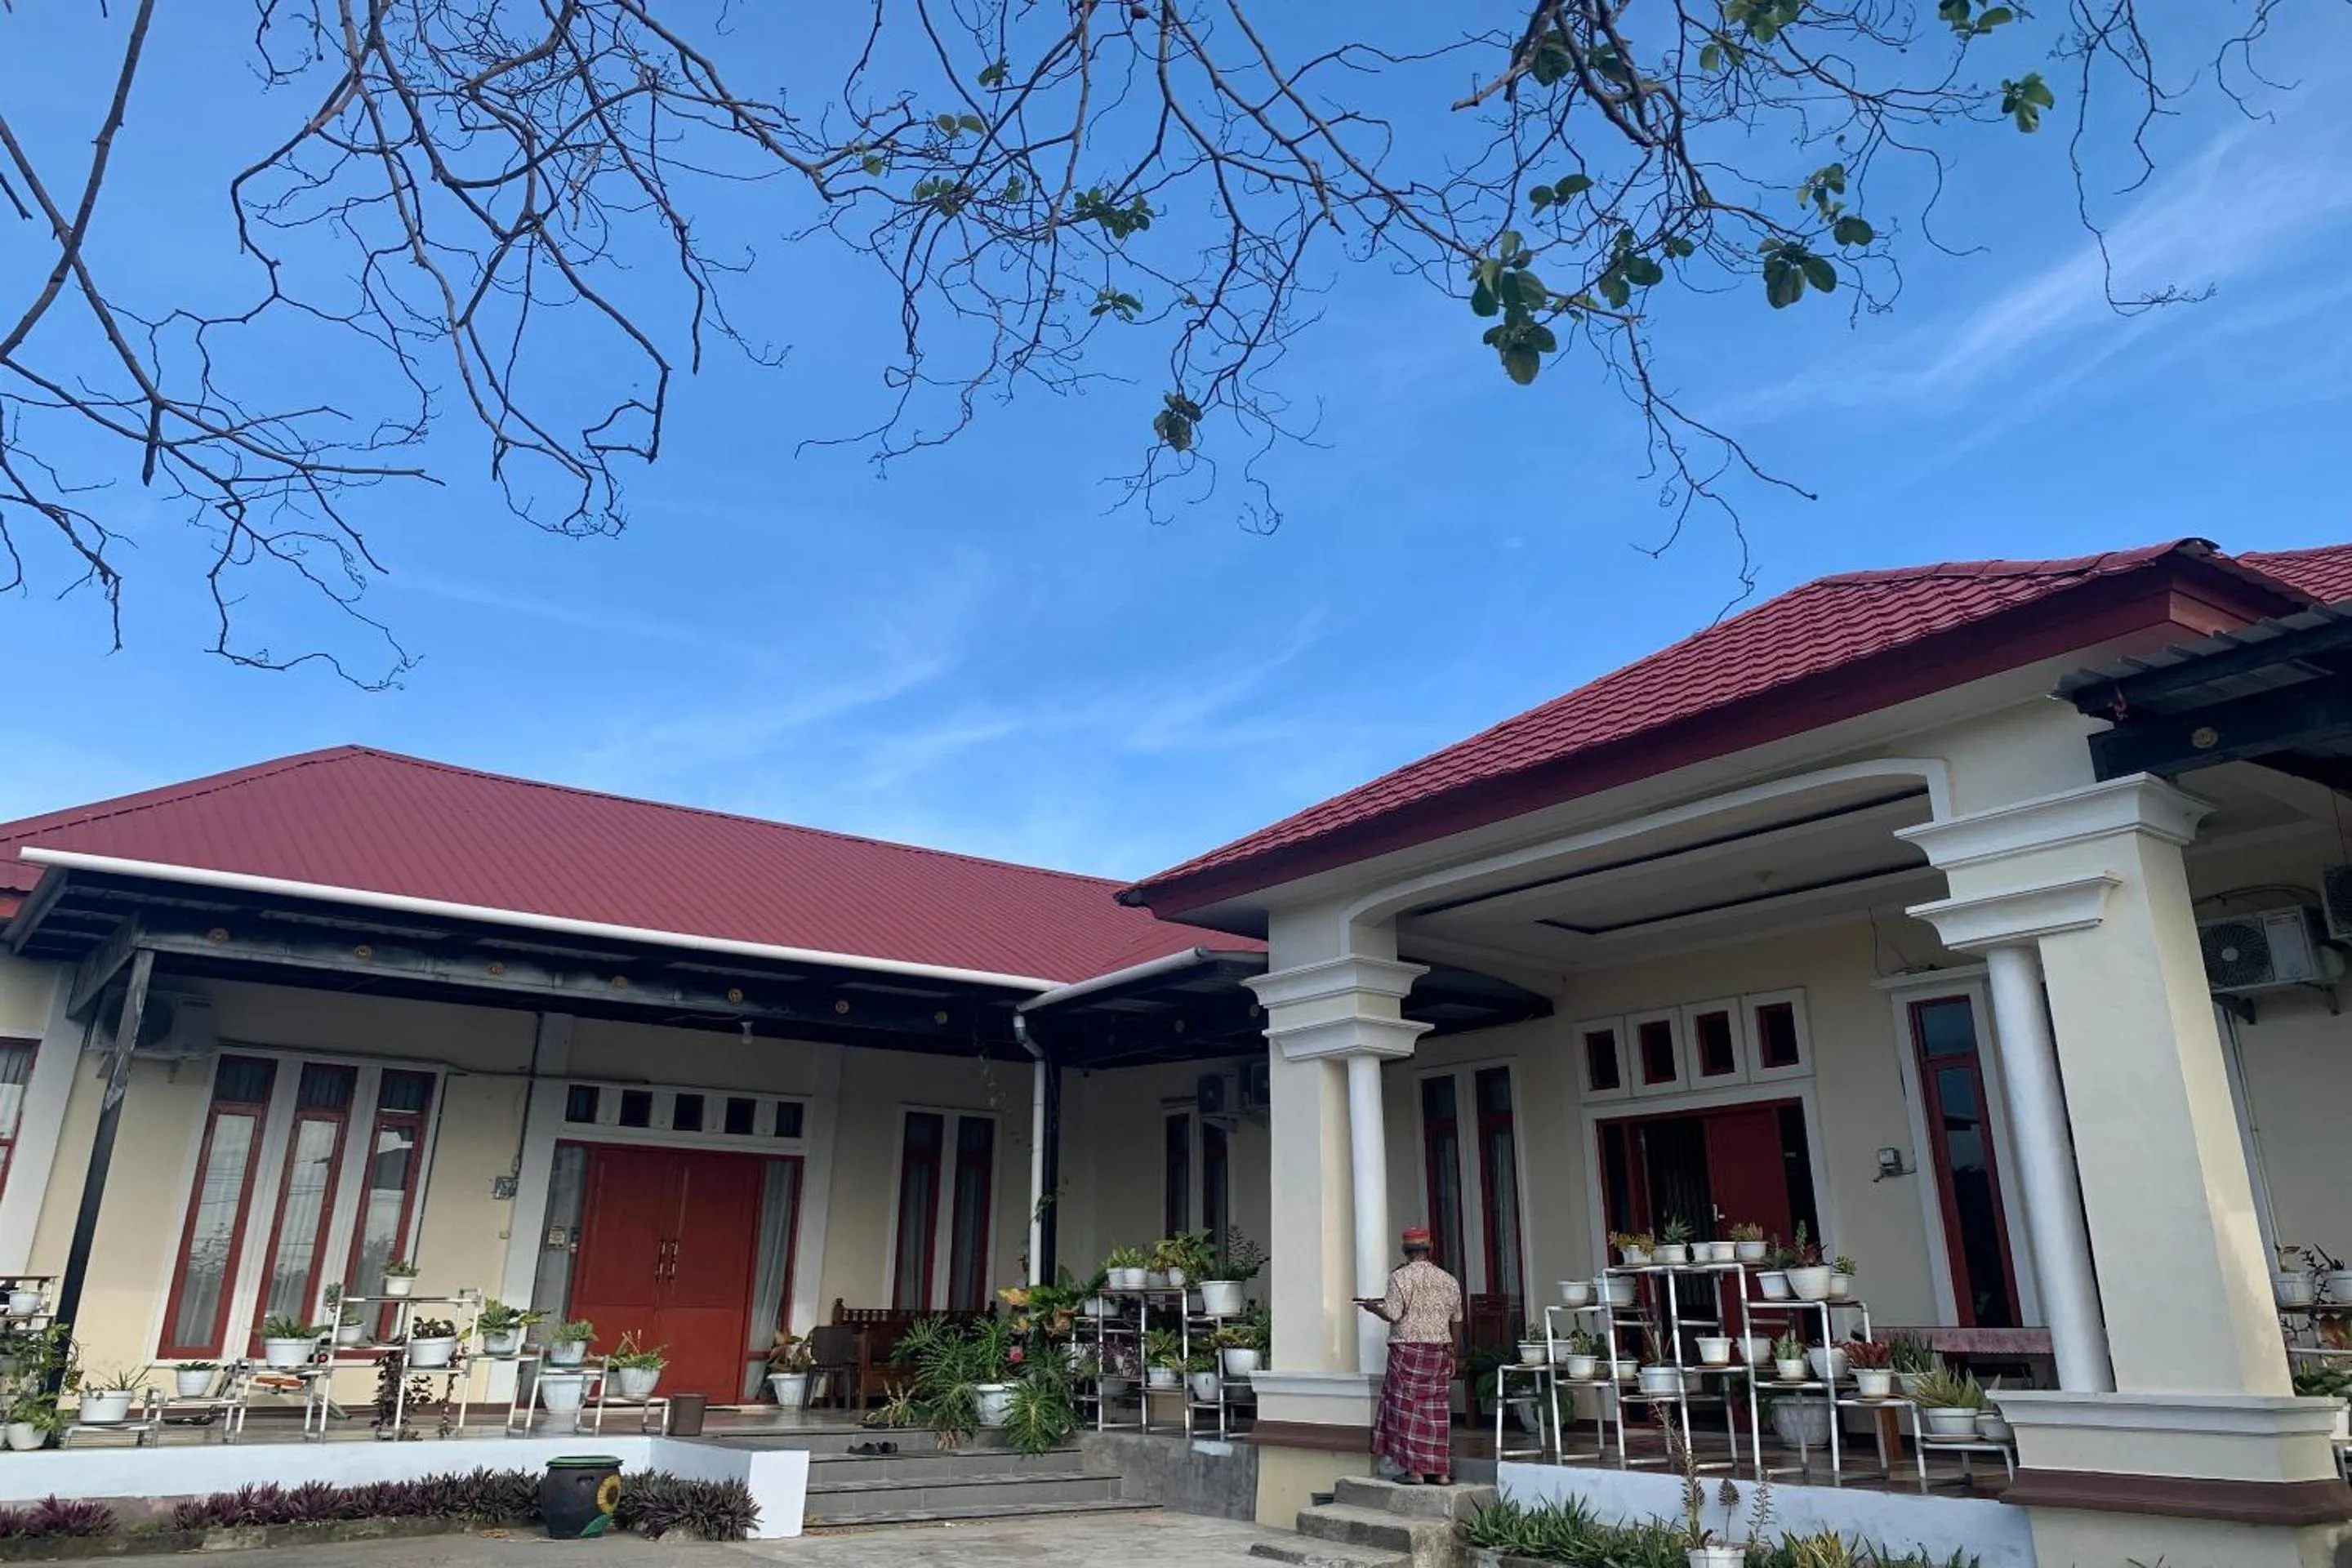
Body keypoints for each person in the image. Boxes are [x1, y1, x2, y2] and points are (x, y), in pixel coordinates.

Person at [1356, 1225, 1463, 1486]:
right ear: (1431, 1248)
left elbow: (1393, 1314)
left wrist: (1372, 1308)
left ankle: (1415, 1471)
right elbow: (1457, 1319)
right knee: (1437, 1411)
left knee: (1409, 1410)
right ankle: (1441, 1472)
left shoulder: (1400, 1278)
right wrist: (1454, 1353)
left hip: (1407, 1350)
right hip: (1439, 1350)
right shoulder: (1448, 1280)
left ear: (1405, 1250)